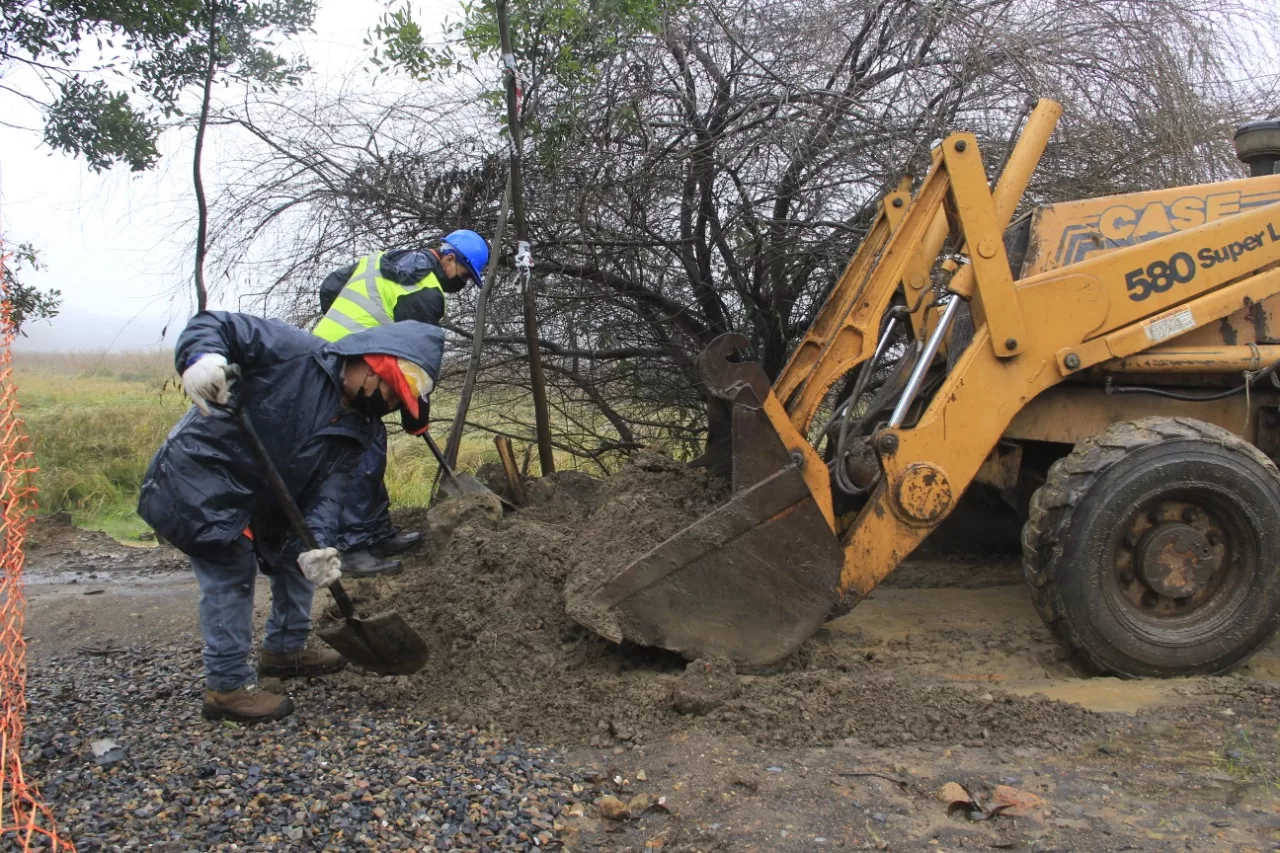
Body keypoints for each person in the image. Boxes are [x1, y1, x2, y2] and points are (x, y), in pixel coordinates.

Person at [138, 310, 443, 724]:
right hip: (206, 474)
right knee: (232, 569)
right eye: (389, 391)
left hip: (269, 495)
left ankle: (285, 650)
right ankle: (227, 688)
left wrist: (315, 545)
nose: (387, 404)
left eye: (396, 402)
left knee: (298, 556)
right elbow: (216, 325)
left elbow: (330, 492)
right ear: (373, 362)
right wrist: (203, 359)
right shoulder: (296, 353)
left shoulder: (363, 428)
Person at [313, 229, 489, 576]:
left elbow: (330, 287)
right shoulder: (425, 291)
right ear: (449, 258)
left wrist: (351, 335)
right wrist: (416, 416)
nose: (464, 282)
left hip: (335, 356)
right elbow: (415, 363)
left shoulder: (383, 261)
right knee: (358, 455)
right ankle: (352, 549)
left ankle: (376, 534)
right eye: (465, 274)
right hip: (345, 369)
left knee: (372, 445)